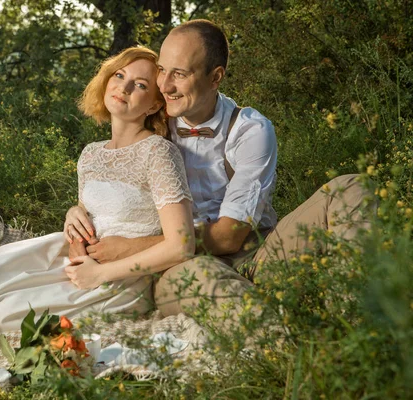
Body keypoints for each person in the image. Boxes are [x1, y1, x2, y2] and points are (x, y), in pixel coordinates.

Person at [65, 20, 373, 322]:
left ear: (215, 78)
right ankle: (287, 339)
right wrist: (76, 211)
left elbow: (229, 237)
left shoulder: (251, 130)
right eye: (162, 70)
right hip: (183, 266)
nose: (165, 85)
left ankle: (362, 313)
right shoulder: (153, 118)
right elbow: (112, 169)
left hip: (259, 252)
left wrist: (133, 247)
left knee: (349, 188)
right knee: (198, 277)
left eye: (180, 74)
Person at [0, 47, 195, 339]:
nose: (123, 87)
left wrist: (100, 274)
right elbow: (89, 213)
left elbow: (181, 245)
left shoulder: (158, 153)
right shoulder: (91, 154)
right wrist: (74, 215)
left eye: (140, 85)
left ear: (153, 105)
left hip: (117, 279)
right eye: (119, 75)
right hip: (71, 257)